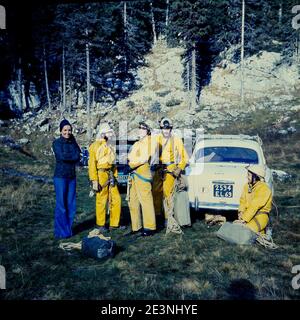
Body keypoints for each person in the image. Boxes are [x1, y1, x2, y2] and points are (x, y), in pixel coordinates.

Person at [152, 117, 189, 228]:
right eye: (164, 128)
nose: (166, 130)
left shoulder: (176, 140)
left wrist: (179, 168)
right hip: (158, 169)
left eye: (168, 128)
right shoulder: (156, 139)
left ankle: (168, 218)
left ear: (171, 129)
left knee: (168, 194)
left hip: (170, 170)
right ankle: (157, 216)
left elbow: (185, 157)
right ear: (161, 128)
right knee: (156, 193)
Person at [88, 123, 122, 232]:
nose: (110, 134)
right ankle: (101, 224)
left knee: (116, 199)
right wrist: (94, 180)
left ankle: (114, 223)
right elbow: (92, 165)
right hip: (101, 174)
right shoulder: (94, 146)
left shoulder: (110, 146)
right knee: (101, 200)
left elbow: (113, 163)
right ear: (103, 134)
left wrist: (115, 176)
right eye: (108, 133)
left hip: (111, 174)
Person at [127, 121, 157, 236]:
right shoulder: (137, 143)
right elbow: (131, 156)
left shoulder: (151, 142)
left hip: (143, 172)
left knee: (145, 200)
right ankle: (136, 226)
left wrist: (130, 165)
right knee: (132, 200)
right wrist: (129, 162)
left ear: (148, 130)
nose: (140, 129)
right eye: (139, 127)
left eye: (143, 128)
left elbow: (144, 158)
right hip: (134, 172)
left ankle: (150, 227)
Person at [52, 119, 81, 239]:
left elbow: (78, 156)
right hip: (60, 177)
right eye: (65, 130)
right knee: (61, 205)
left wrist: (74, 156)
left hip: (71, 177)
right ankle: (60, 232)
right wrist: (73, 156)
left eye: (69, 130)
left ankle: (68, 230)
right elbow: (62, 156)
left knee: (71, 205)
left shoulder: (73, 142)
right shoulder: (56, 143)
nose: (67, 132)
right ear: (60, 131)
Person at [235, 164, 272, 234]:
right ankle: (262, 234)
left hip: (260, 216)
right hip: (248, 215)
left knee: (243, 232)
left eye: (248, 175)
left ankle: (263, 234)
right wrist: (241, 212)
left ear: (255, 177)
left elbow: (255, 206)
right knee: (237, 228)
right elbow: (242, 201)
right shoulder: (246, 186)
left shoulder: (264, 189)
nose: (246, 177)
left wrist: (244, 219)